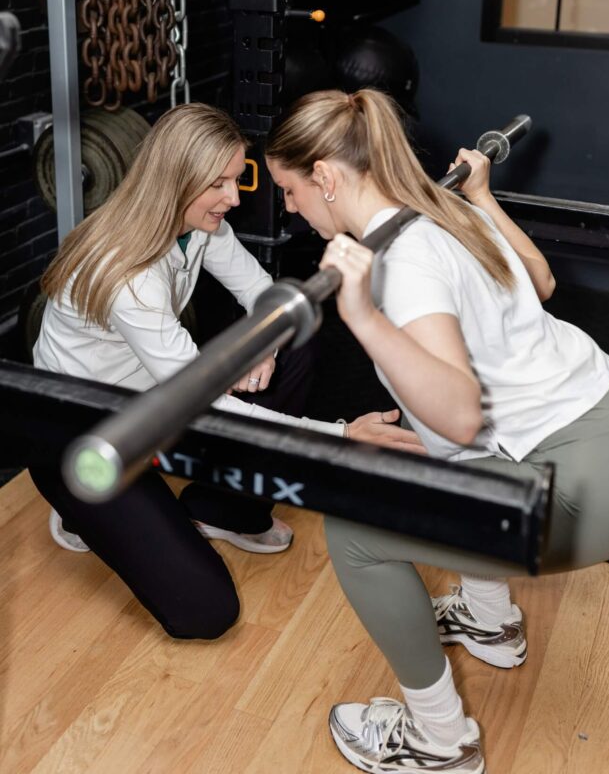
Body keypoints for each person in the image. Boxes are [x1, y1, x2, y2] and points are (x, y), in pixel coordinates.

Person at [265, 87, 609, 774]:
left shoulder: (402, 264)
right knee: (428, 444)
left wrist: (360, 316)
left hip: (593, 484)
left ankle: (440, 742)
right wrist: (484, 196)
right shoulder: (446, 206)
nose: (290, 207)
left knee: (355, 531)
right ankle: (489, 621)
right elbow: (540, 283)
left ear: (327, 177)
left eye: (289, 190)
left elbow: (458, 417)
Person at [31, 102, 422, 641]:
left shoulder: (199, 227)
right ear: (175, 180)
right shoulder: (129, 277)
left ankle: (223, 509)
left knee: (294, 342)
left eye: (236, 179)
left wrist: (264, 338)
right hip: (85, 437)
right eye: (219, 184)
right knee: (206, 611)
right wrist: (341, 437)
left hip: (155, 403)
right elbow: (206, 406)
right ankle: (82, 512)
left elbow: (263, 292)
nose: (235, 198)